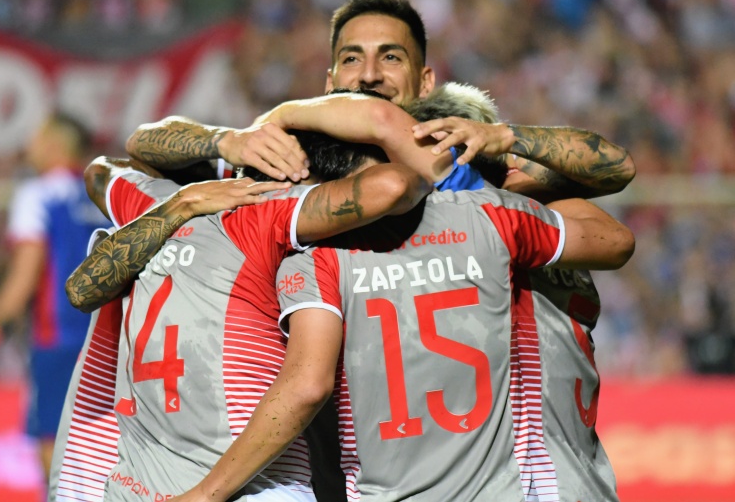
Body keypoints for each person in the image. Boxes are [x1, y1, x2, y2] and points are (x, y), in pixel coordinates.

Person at [174, 175, 634, 501]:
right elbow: (617, 236)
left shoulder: (317, 258)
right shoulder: (496, 218)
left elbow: (306, 385)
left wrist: (206, 494)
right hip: (536, 482)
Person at [60, 133, 430, 500]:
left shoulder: (157, 204)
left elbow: (103, 169)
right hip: (247, 488)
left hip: (138, 484)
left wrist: (220, 146)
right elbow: (393, 185)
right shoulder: (266, 213)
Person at [125, 0, 634, 204]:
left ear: (426, 81)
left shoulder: (468, 156)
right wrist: (224, 140)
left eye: (390, 57)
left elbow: (616, 168)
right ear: (329, 80)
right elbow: (142, 146)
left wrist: (507, 136)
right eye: (352, 59)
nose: (368, 75)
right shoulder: (288, 152)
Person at [0, 112, 112, 482]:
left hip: (59, 339)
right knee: (104, 450)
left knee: (54, 450)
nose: (28, 146)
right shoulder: (106, 194)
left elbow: (24, 277)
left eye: (35, 137)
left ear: (55, 145)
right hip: (113, 338)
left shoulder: (37, 195)